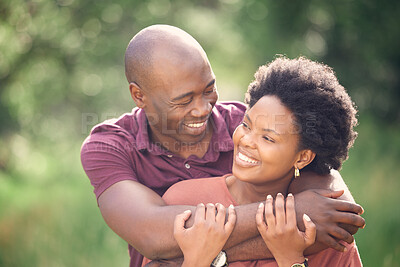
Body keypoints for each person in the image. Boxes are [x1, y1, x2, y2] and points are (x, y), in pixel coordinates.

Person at [80, 25, 365, 267]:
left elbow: (337, 213)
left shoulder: (249, 124)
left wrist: (193, 254)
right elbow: (153, 238)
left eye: (208, 89)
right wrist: (285, 216)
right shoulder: (109, 146)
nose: (202, 109)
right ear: (139, 95)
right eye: (183, 100)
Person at [159, 57, 363, 266]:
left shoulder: (324, 229)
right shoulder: (183, 200)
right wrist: (196, 260)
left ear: (302, 157)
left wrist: (290, 258)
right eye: (246, 126)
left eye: (267, 138)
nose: (246, 141)